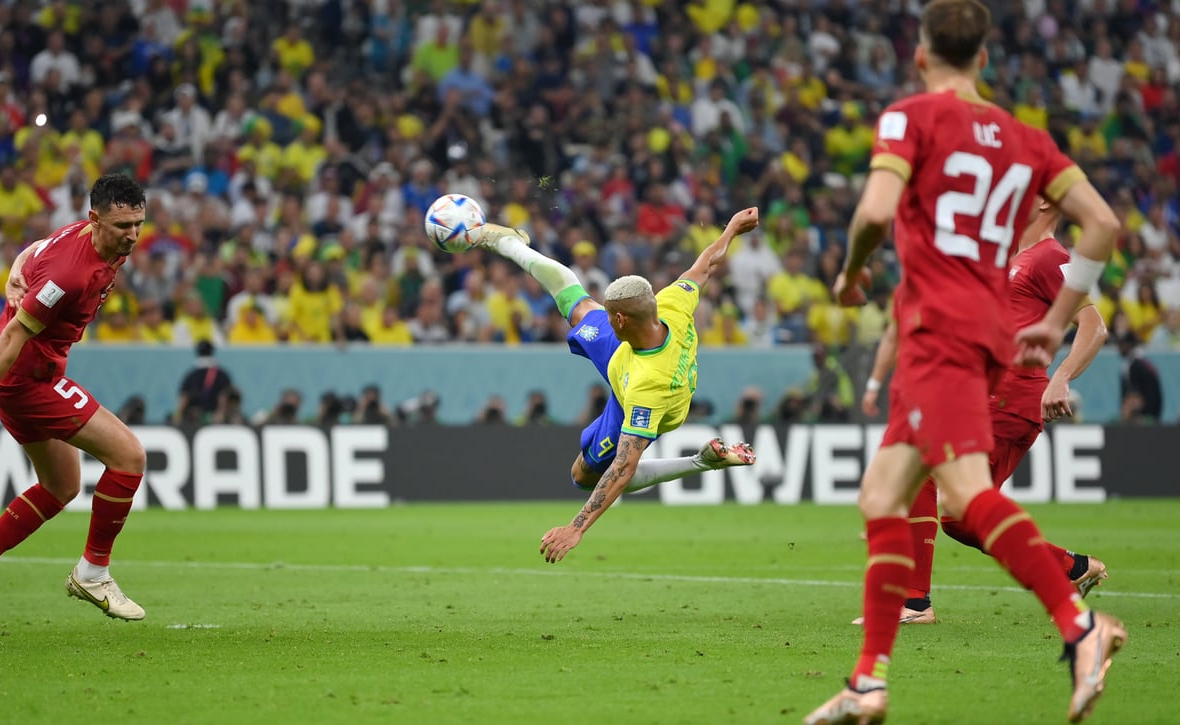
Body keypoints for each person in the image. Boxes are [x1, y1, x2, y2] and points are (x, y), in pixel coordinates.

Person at [804, 2, 1127, 723]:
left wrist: (853, 272)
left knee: (964, 499)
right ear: (985, 60)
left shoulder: (909, 117)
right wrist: (1050, 323)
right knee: (884, 495)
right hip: (982, 335)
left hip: (938, 328)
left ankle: (1080, 629)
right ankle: (867, 682)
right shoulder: (1027, 141)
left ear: (921, 56)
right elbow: (1104, 223)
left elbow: (875, 214)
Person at [855, 202, 1110, 628]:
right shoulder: (1009, 260)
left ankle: (915, 603)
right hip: (983, 397)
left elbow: (1093, 326)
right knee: (960, 518)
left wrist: (1060, 378)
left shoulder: (1052, 257)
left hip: (1013, 399)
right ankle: (1070, 567)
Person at [474, 208, 761, 565]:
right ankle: (510, 244)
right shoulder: (672, 304)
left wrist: (576, 527)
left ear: (620, 319)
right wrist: (731, 229)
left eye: (610, 314)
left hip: (640, 392)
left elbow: (624, 469)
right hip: (629, 351)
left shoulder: (647, 390)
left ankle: (699, 462)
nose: (605, 317)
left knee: (583, 474)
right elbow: (706, 265)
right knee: (576, 303)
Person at [0, 174, 149, 641]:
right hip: (29, 380)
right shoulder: (70, 275)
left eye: (138, 224)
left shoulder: (82, 234)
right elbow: (13, 337)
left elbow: (32, 250)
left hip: (30, 376)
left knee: (61, 485)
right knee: (129, 457)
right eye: (122, 226)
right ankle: (93, 573)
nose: (131, 235)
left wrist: (14, 272)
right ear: (96, 219)